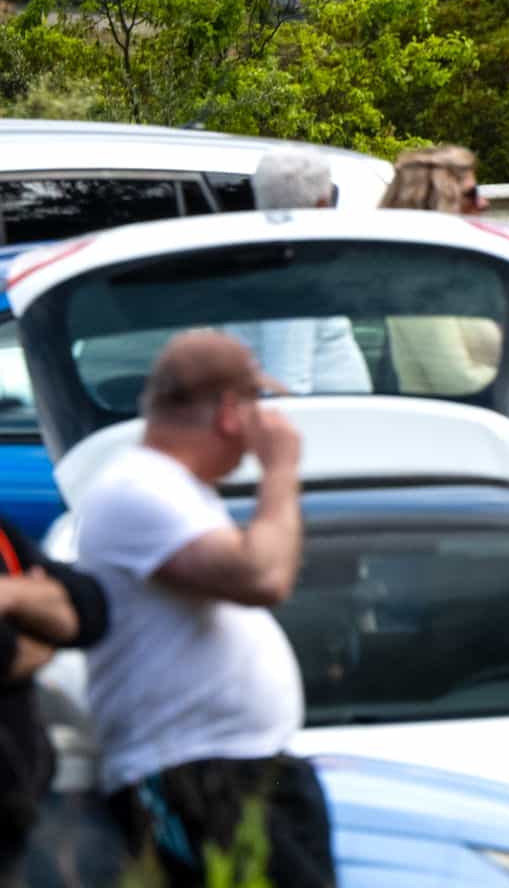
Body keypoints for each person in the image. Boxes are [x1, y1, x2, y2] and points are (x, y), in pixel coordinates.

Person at [75, 331, 333, 888]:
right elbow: (263, 575)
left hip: (235, 768)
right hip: (195, 774)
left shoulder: (178, 490)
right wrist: (281, 471)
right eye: (257, 402)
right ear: (227, 410)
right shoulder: (138, 488)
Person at [0, 515, 107, 879]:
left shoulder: (3, 532)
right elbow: (4, 652)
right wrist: (41, 621)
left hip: (16, 813)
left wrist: (11, 594)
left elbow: (90, 609)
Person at [226, 151, 372, 395]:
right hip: (324, 427)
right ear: (323, 205)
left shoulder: (264, 261)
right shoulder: (289, 275)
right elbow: (286, 385)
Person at [377, 146, 501, 395]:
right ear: (440, 203)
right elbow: (456, 381)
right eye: (471, 194)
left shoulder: (455, 275)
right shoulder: (418, 285)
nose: (483, 203)